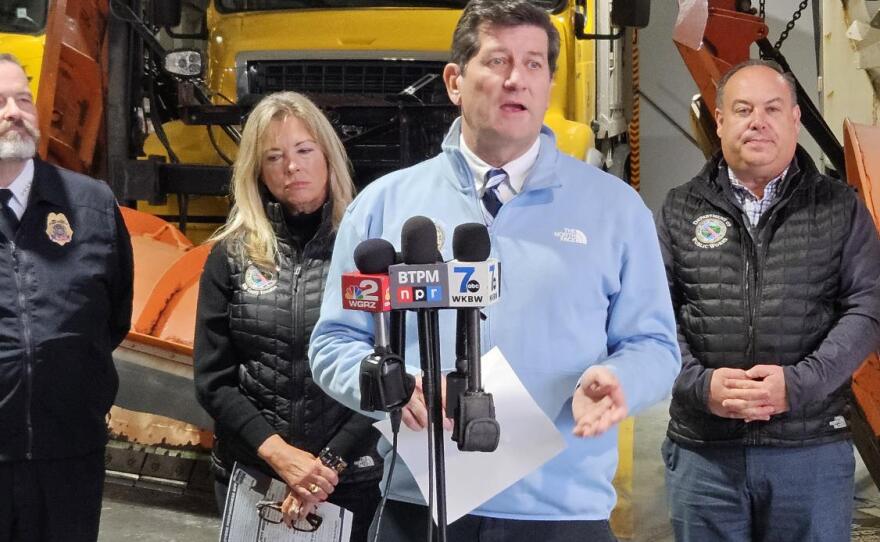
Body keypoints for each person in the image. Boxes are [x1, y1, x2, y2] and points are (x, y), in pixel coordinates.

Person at [308, 1, 681, 540]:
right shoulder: (384, 206)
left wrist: (620, 380)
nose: (516, 80)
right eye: (498, 61)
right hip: (418, 505)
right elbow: (335, 342)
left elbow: (655, 345)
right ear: (455, 80)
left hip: (562, 511)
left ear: (550, 82)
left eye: (534, 64)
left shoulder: (615, 210)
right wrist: (392, 386)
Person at [657, 59, 880, 542]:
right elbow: (652, 317)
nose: (758, 121)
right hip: (704, 453)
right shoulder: (679, 208)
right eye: (742, 109)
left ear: (795, 120)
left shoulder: (840, 208)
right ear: (719, 122)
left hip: (810, 452)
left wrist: (798, 384)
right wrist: (701, 386)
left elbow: (867, 309)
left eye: (772, 109)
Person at [193, 91, 383, 541]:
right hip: (255, 476)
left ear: (328, 156)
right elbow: (213, 381)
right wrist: (280, 456)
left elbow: (387, 371)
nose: (291, 167)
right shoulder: (231, 257)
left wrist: (323, 468)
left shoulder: (368, 252)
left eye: (303, 150)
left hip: (347, 478)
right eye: (274, 156)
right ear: (257, 171)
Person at [0, 54, 134, 541]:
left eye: (22, 99)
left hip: (69, 459)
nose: (14, 111)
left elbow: (112, 316)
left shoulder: (92, 204)